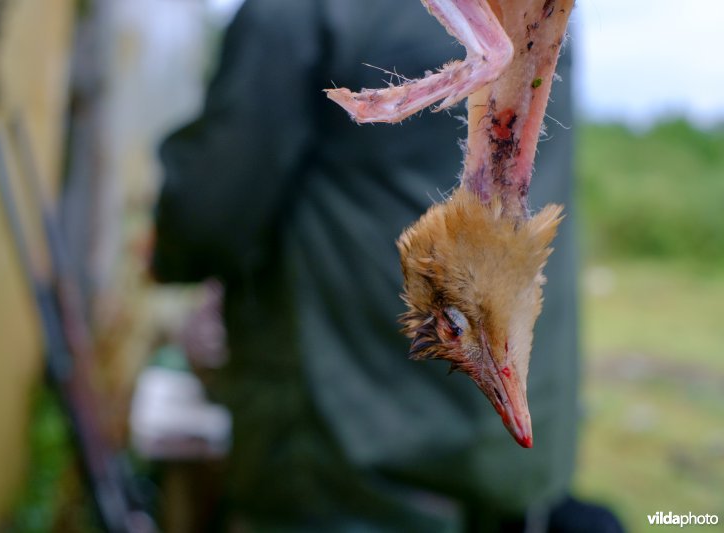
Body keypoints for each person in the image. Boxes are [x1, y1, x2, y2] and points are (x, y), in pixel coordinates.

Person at [151, 1, 621, 531]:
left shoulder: (297, 12)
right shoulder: (540, 11)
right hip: (509, 468)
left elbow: (207, 217)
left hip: (344, 457)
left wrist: (163, 249)